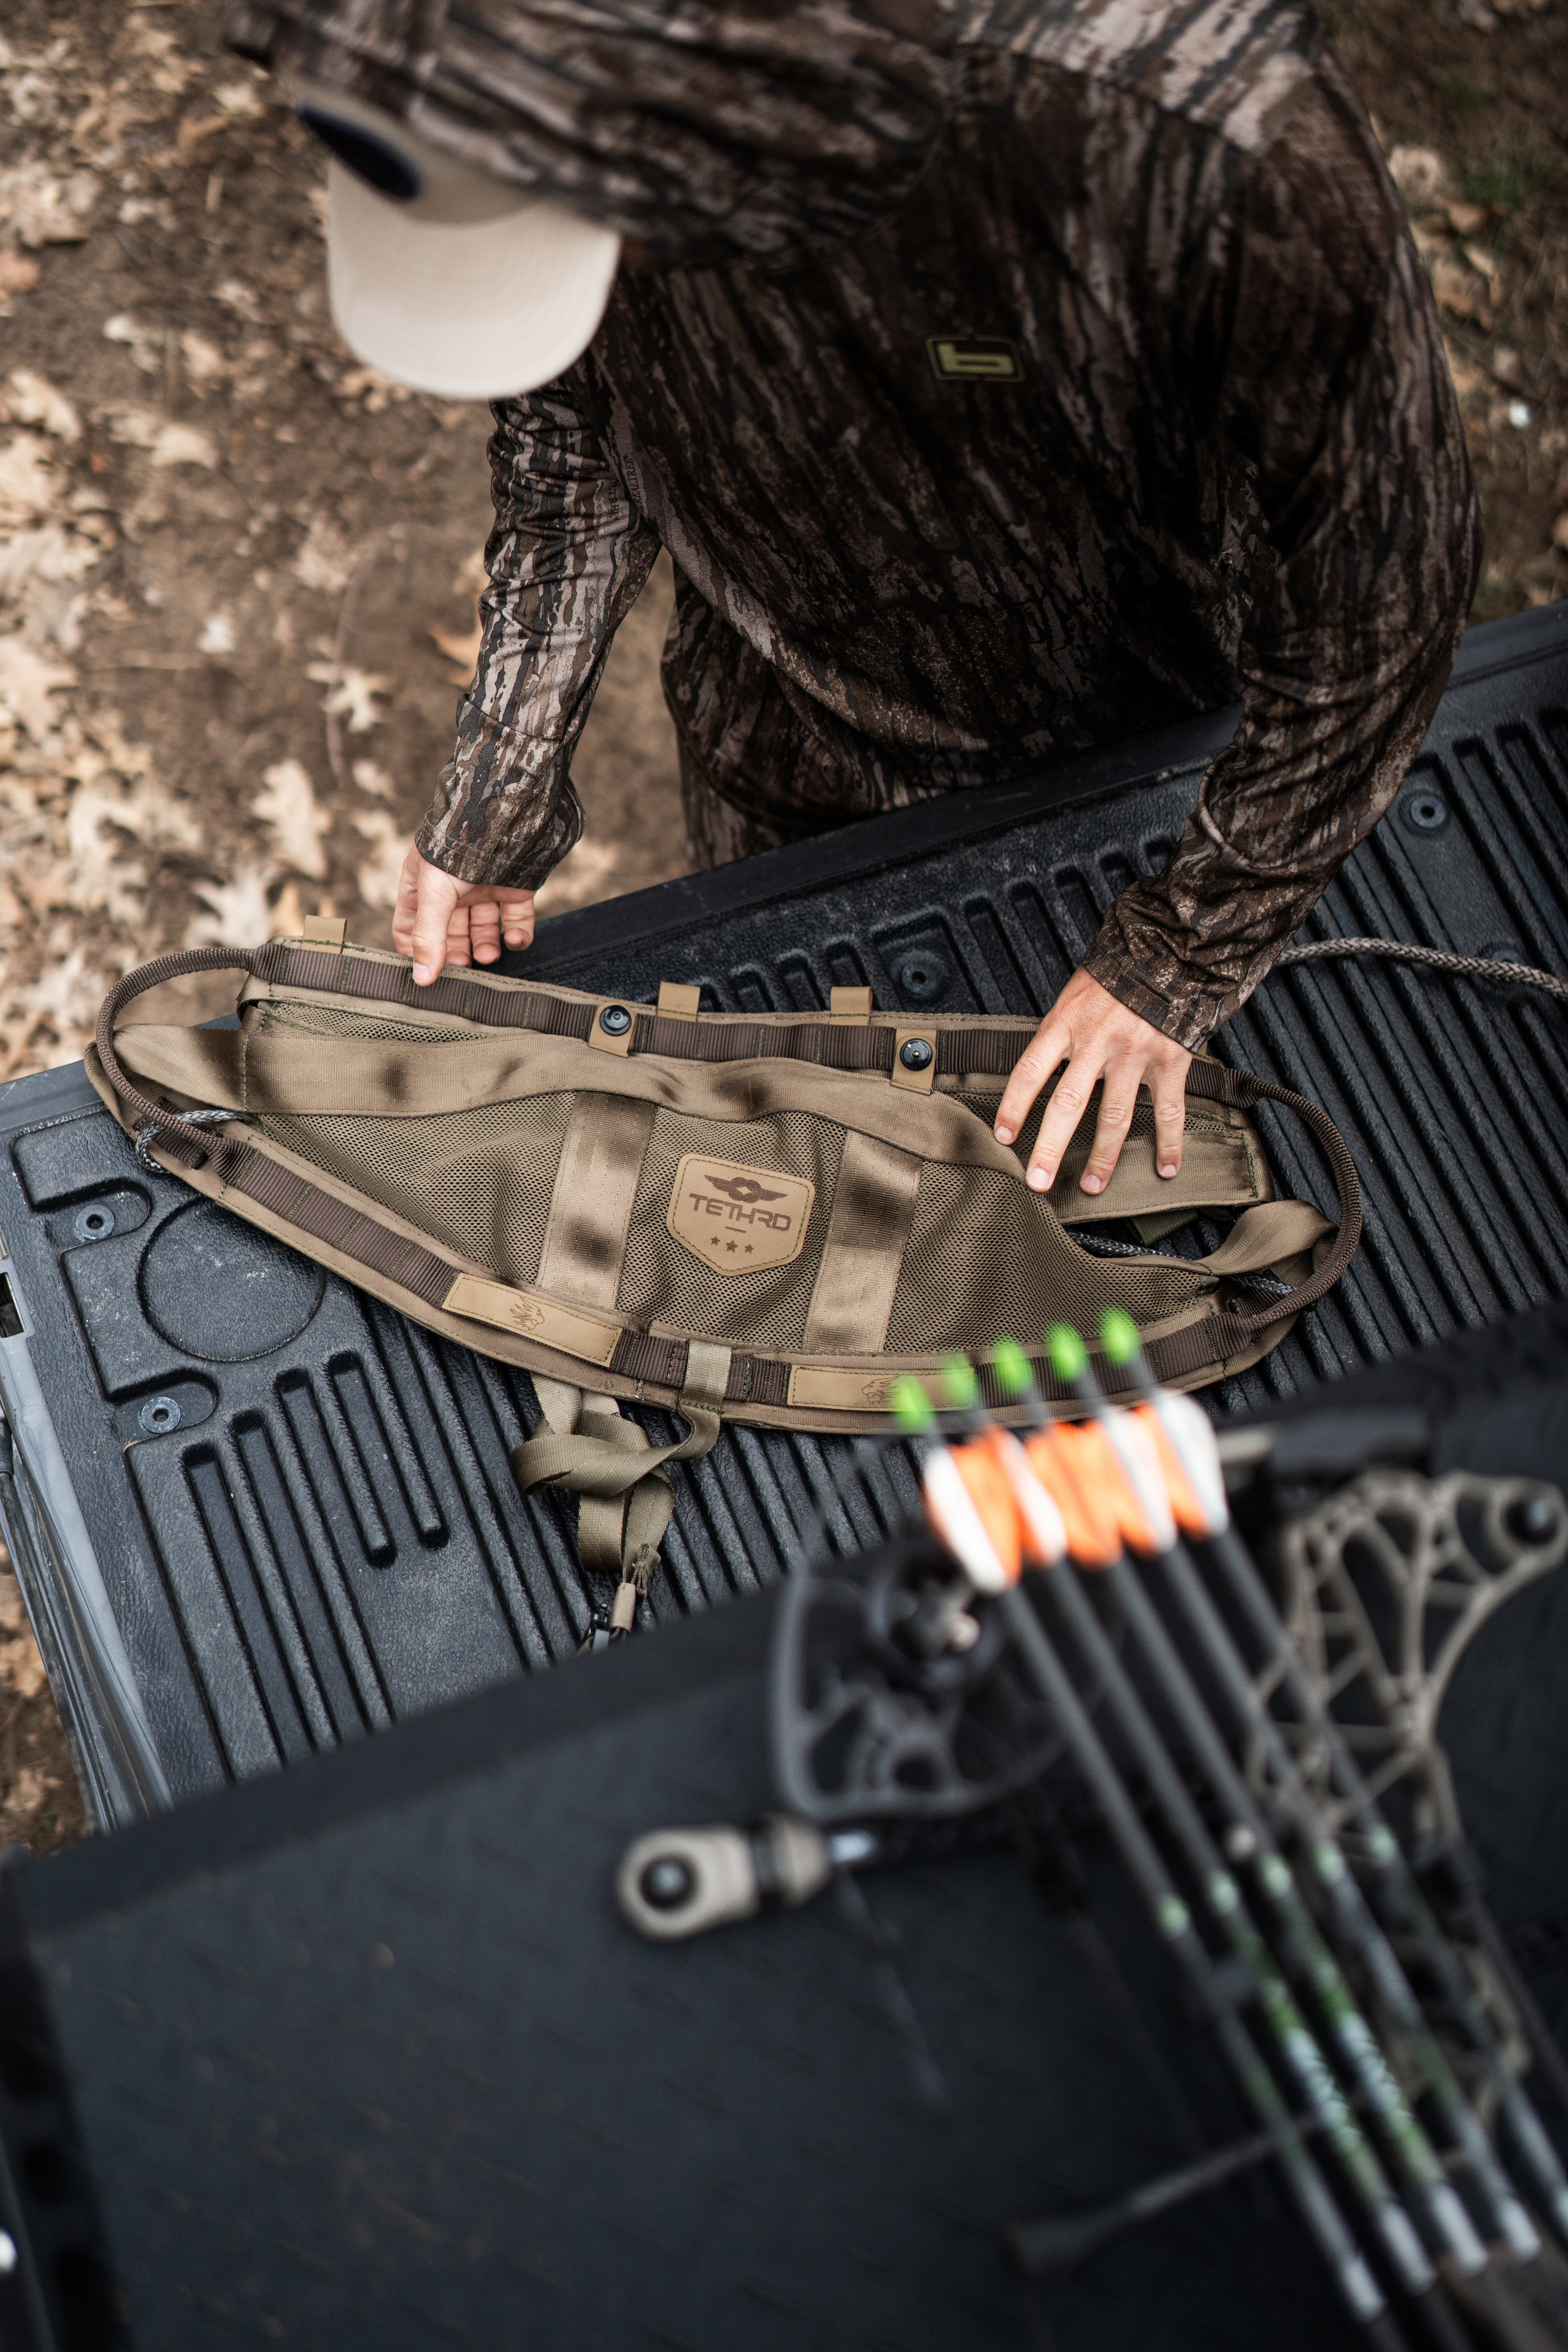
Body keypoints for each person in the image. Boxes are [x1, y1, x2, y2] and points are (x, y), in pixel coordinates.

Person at [227, 0, 1478, 1198]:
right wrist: (502, 781)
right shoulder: (493, 84)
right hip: (767, 751)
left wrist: (1178, 953)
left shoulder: (1193, 134)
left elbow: (1377, 607)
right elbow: (576, 436)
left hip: (1126, 792)